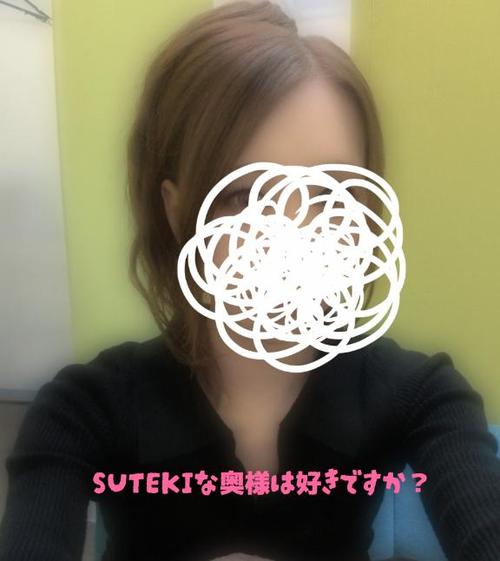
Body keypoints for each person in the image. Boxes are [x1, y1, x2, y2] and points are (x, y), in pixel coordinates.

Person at [1, 2, 500, 561]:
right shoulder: (81, 411)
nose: (294, 235)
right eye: (243, 196)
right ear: (176, 210)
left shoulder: (424, 397)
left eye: (328, 193)